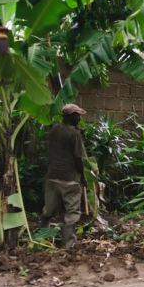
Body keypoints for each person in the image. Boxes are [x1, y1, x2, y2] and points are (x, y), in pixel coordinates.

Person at [40, 104, 87, 249]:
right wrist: (83, 177)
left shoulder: (54, 129)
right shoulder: (75, 134)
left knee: (49, 210)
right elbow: (78, 158)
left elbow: (60, 144)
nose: (79, 118)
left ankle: (43, 236)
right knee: (72, 212)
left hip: (52, 176)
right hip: (69, 179)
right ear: (72, 117)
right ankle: (68, 244)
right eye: (78, 116)